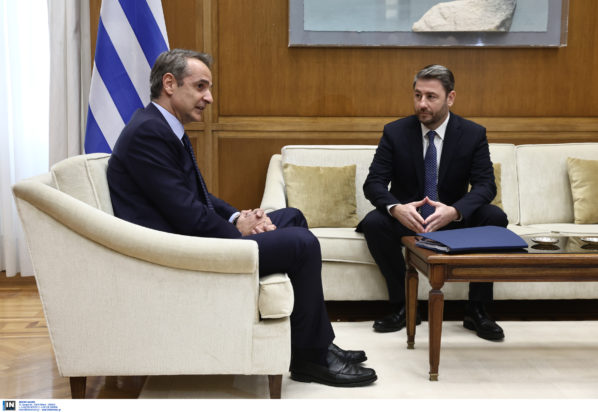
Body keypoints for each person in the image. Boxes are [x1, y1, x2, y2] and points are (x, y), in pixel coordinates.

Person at [106, 49, 377, 387]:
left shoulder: (162, 127)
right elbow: (188, 216)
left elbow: (199, 197)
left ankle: (312, 340)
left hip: (188, 239)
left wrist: (238, 217)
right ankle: (312, 358)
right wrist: (240, 233)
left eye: (209, 88)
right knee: (302, 243)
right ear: (170, 84)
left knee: (292, 217)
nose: (209, 97)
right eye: (201, 86)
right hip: (178, 254)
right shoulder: (149, 133)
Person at [357, 64, 507, 341]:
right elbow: (374, 183)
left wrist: (455, 211)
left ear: (450, 98)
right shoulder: (395, 132)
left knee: (494, 217)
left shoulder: (472, 134)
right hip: (409, 220)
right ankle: (404, 305)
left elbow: (486, 185)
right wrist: (396, 208)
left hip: (451, 220)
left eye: (431, 97)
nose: (422, 104)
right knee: (374, 222)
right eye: (417, 95)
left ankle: (477, 310)